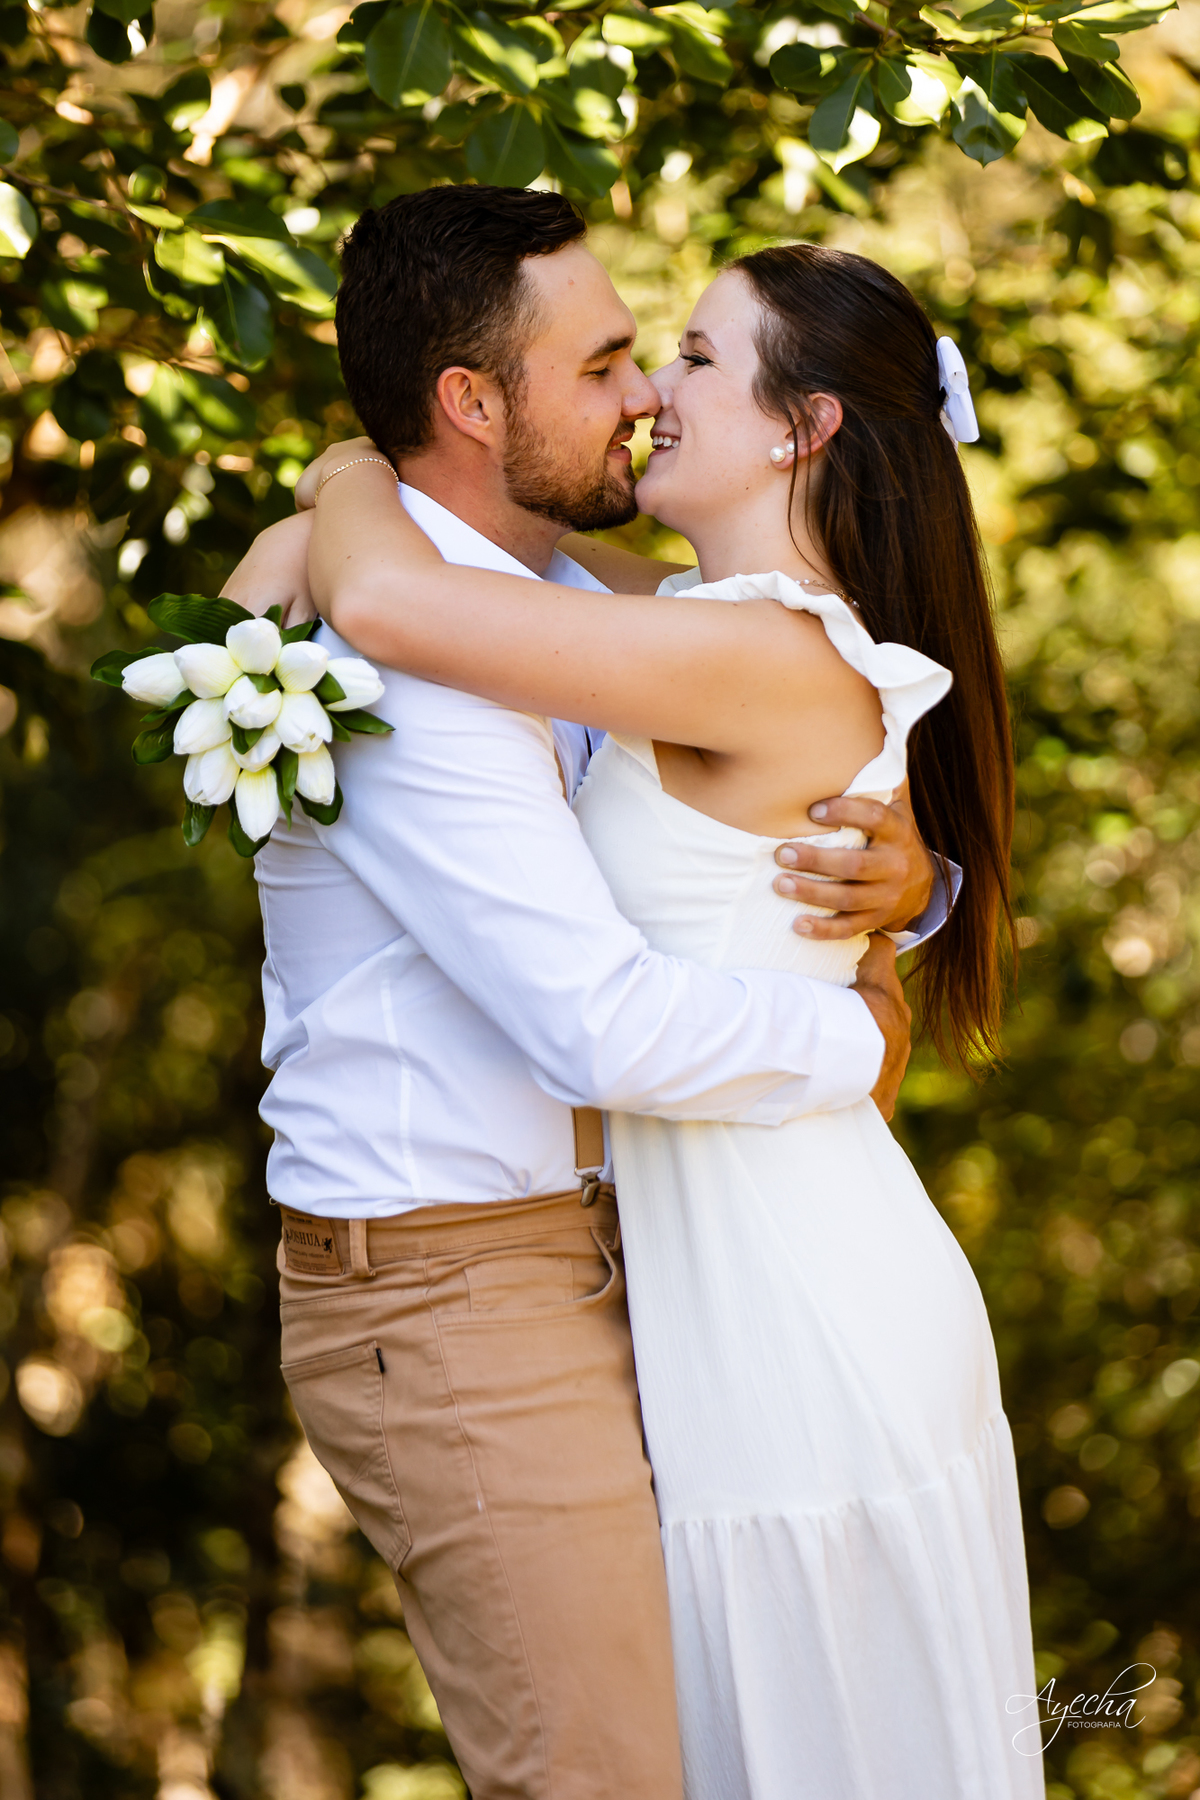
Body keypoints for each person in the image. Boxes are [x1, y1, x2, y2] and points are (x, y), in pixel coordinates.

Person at [287, 229, 1041, 1798]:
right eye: (630, 358)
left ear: (803, 425)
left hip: (795, 1305)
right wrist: (917, 906)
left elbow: (387, 598)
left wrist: (344, 473)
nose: (647, 397)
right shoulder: (687, 615)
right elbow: (480, 583)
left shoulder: (742, 649)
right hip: (706, 1283)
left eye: (689, 358)